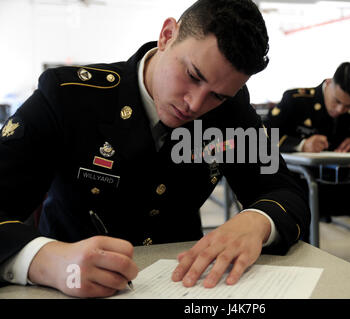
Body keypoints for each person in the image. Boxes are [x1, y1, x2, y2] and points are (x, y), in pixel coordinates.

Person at [0, 0, 310, 298]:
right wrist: (43, 260)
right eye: (192, 75)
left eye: (217, 95)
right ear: (166, 36)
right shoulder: (69, 97)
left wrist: (257, 221)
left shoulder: (230, 113)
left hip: (182, 286)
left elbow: (286, 191)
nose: (196, 105)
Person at [264, 62, 350, 270]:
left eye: (348, 107)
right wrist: (301, 144)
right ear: (329, 83)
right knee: (298, 206)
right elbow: (262, 135)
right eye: (337, 101)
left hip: (340, 185)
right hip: (298, 185)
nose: (340, 110)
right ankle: (301, 270)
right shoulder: (296, 100)